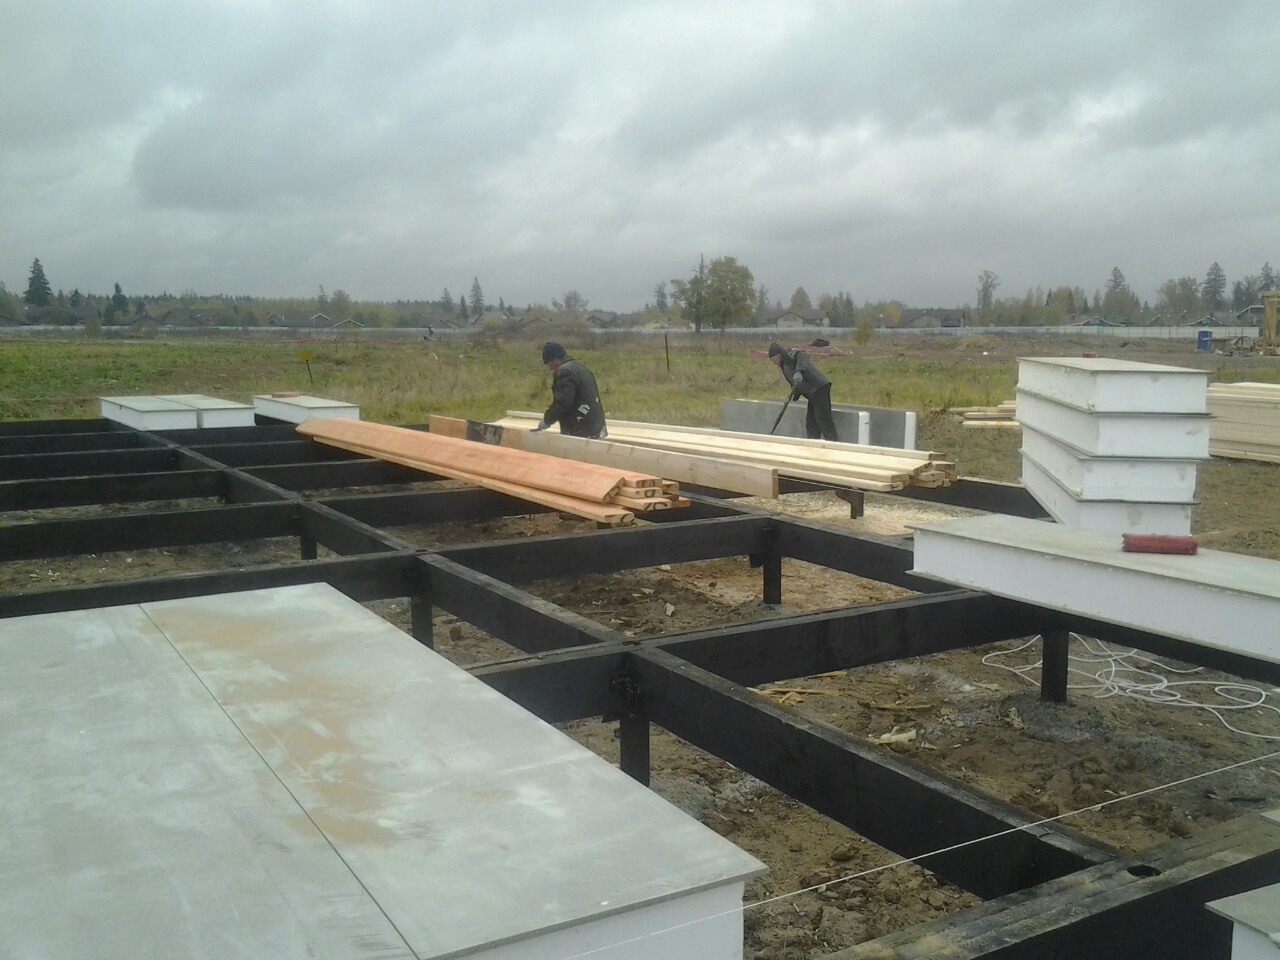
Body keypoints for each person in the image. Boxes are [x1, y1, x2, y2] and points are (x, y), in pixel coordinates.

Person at [767, 340, 838, 441]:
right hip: (812, 392)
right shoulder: (784, 366)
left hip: (818, 386)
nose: (774, 362)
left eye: (773, 359)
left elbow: (802, 354)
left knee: (823, 420)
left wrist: (799, 371)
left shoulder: (788, 354)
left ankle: (833, 444)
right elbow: (796, 384)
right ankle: (812, 444)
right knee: (811, 423)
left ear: (778, 355)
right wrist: (793, 395)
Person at [534, 341, 608, 438]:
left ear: (554, 359)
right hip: (595, 427)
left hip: (580, 429)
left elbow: (562, 403)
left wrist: (547, 421)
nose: (549, 368)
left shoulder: (564, 372)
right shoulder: (580, 367)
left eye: (548, 363)